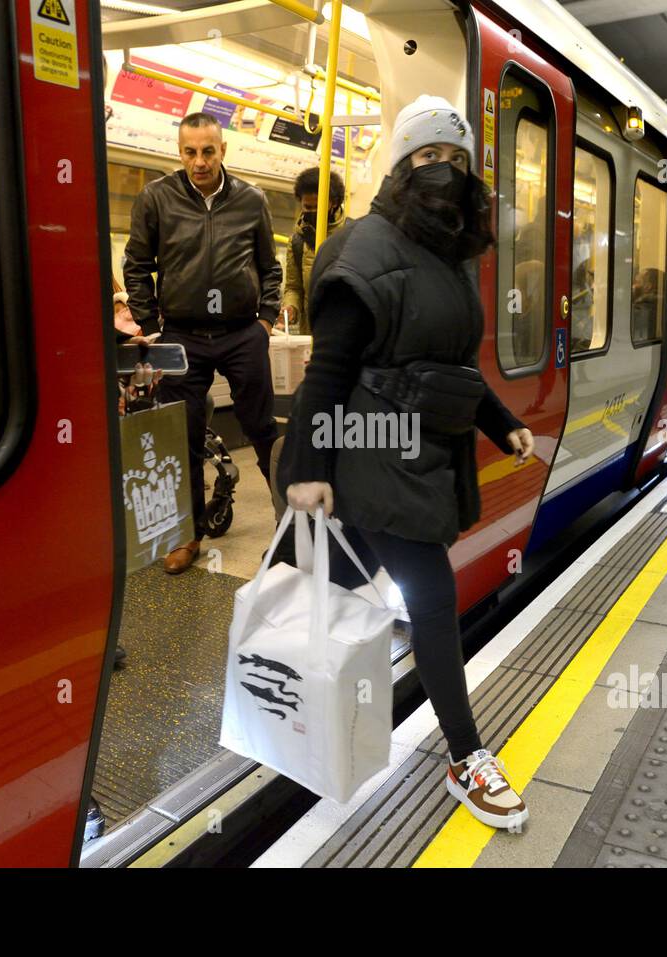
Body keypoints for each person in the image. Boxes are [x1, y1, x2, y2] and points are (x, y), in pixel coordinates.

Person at [278, 95, 535, 830]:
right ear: (400, 165)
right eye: (427, 157)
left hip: (423, 449)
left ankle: (283, 708)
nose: (443, 172)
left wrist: (500, 420)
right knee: (429, 595)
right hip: (369, 449)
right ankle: (466, 755)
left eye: (455, 160)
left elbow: (449, 365)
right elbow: (327, 370)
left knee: (327, 587)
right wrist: (307, 465)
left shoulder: (446, 255)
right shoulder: (368, 247)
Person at [122, 112, 283, 573]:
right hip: (182, 336)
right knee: (183, 439)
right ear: (180, 153)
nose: (199, 161)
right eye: (190, 152)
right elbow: (137, 264)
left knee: (263, 431)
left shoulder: (251, 200)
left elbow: (269, 266)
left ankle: (290, 527)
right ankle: (185, 535)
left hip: (240, 333)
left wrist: (266, 321)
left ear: (222, 151)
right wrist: (152, 325)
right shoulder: (156, 198)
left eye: (207, 151)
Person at [279, 167, 347, 335]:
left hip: (344, 330)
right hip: (310, 332)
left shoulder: (351, 234)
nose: (312, 212)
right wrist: (291, 308)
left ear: (333, 203)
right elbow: (293, 287)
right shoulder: (297, 241)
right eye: (307, 207)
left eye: (318, 207)